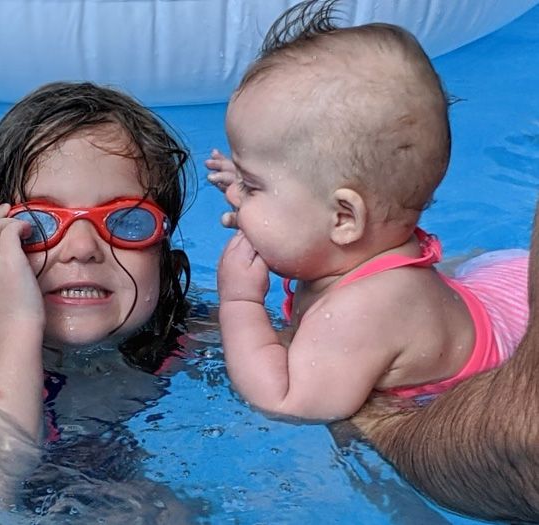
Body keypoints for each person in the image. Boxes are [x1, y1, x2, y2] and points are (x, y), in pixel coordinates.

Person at [206, 0, 529, 423]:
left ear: (344, 218)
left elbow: (287, 402)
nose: (236, 198)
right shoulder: (371, 241)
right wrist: (256, 189)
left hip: (515, 331)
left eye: (251, 185)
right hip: (494, 284)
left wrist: (240, 302)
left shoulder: (359, 313)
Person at [0, 81, 198, 518]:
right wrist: (15, 332)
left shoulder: (191, 334)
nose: (82, 247)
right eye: (39, 224)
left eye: (127, 221)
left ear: (167, 263)